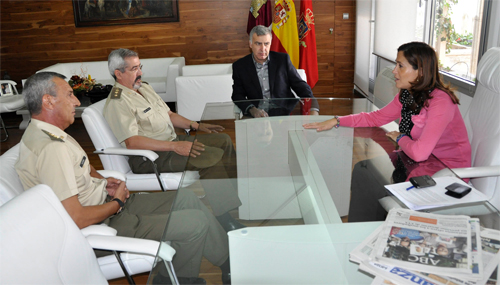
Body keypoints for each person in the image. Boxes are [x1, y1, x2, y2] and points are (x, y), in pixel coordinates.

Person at [15, 72, 231, 284]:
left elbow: (81, 168)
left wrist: (104, 181)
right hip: (101, 221)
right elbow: (76, 218)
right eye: (70, 95)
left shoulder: (48, 133)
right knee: (195, 223)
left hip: (106, 203)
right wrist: (117, 202)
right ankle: (177, 280)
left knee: (186, 198)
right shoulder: (51, 147)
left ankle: (226, 263)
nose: (76, 101)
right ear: (48, 101)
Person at [304, 42, 472, 221]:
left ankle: (383, 232)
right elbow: (375, 117)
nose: (394, 71)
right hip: (418, 161)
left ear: (420, 71)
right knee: (363, 170)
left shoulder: (440, 102)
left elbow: (420, 153)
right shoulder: (408, 94)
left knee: (381, 185)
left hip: (446, 171)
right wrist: (337, 120)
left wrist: (401, 138)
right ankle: (362, 232)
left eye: (400, 66)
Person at [102, 48, 244, 233]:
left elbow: (168, 114)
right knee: (210, 157)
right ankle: (224, 219)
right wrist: (175, 146)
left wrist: (195, 125)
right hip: (150, 157)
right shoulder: (117, 102)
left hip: (171, 141)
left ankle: (232, 200)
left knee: (223, 140)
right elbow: (132, 142)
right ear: (118, 74)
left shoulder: (143, 87)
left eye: (140, 67)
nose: (140, 73)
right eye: (134, 69)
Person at [232, 25, 319, 117]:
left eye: (266, 44)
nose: (263, 49)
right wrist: (252, 109)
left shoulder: (282, 60)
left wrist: (313, 108)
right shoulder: (240, 66)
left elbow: (300, 86)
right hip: (257, 114)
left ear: (270, 44)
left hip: (284, 112)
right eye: (258, 43)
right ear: (250, 44)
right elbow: (237, 95)